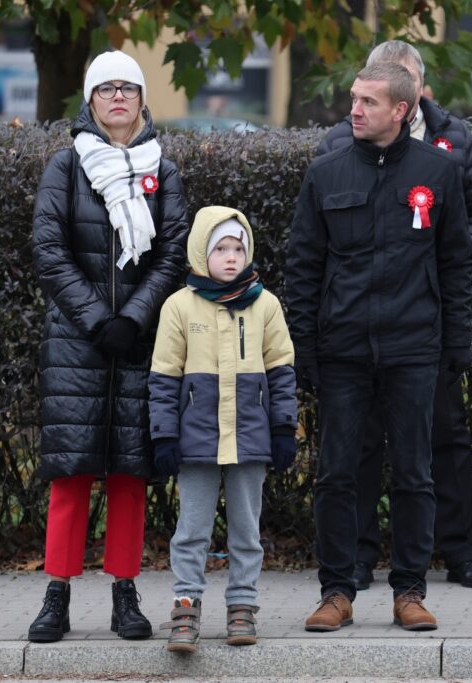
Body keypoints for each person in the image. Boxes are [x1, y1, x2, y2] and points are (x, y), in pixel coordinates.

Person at [286, 61, 472, 632]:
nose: (355, 109)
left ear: (402, 109)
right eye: (353, 98)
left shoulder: (439, 172)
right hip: (343, 350)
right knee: (336, 474)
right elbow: (303, 266)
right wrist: (305, 347)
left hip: (414, 349)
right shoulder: (325, 172)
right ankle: (336, 592)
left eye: (369, 101)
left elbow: (455, 264)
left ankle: (409, 592)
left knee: (415, 474)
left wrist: (456, 344)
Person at [316, 40, 472, 592]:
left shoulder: (453, 139)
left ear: (414, 91)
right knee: (359, 446)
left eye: (399, 81)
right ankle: (356, 558)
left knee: (443, 439)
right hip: (359, 327)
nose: (378, 95)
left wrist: (450, 258)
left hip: (427, 320)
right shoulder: (337, 142)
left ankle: (463, 553)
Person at [27, 50, 189, 643]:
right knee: (70, 475)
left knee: (128, 473)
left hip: (139, 343)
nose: (118, 97)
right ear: (90, 102)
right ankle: (57, 594)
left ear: (143, 101)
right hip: (77, 342)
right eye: (106, 89)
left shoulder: (163, 171)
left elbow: (174, 251)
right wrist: (99, 319)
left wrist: (135, 317)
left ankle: (125, 591)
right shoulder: (64, 166)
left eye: (129, 88)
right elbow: (49, 251)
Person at [148, 206, 297, 653]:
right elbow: (164, 375)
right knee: (191, 529)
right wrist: (164, 435)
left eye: (239, 248)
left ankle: (242, 607)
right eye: (221, 249)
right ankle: (186, 606)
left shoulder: (265, 304)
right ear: (201, 253)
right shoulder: (179, 306)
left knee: (245, 530)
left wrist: (284, 428)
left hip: (251, 439)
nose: (231, 257)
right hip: (196, 442)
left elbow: (282, 369)